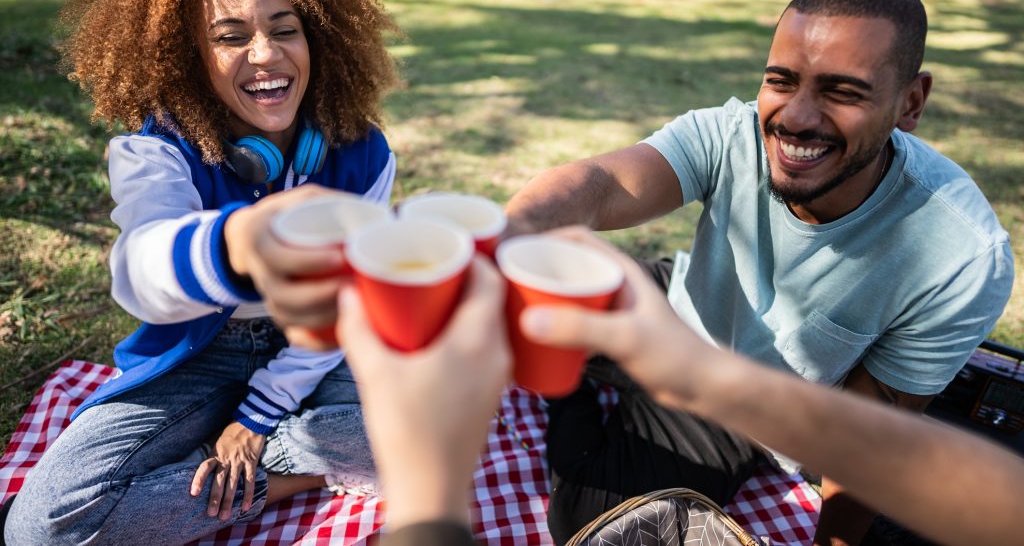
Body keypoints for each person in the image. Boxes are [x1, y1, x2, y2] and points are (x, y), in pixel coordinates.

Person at [503, 0, 1014, 544]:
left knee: (598, 525)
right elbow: (599, 184)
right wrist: (507, 234)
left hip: (743, 409)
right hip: (674, 305)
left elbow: (871, 442)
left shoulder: (961, 258)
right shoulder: (730, 132)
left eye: (842, 91)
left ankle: (565, 388)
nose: (795, 117)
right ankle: (573, 372)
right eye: (781, 81)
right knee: (513, 305)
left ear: (910, 102)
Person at [3, 0, 401, 545]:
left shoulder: (364, 153)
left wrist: (257, 419)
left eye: (284, 29)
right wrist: (236, 243)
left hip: (323, 347)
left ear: (317, 40)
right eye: (231, 36)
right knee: (38, 532)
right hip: (203, 350)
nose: (265, 55)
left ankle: (277, 466)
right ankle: (303, 468)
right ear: (190, 57)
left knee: (425, 422)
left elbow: (345, 307)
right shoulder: (156, 148)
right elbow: (142, 272)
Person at [333, 228, 1022, 546]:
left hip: (734, 403)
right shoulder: (733, 131)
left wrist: (427, 480)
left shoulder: (953, 250)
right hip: (692, 358)